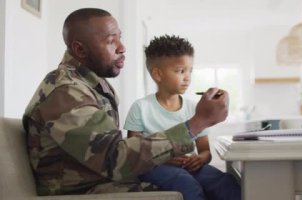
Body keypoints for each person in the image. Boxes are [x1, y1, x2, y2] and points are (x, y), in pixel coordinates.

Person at [22, 8, 229, 196]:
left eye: (120, 38)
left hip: (105, 179)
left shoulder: (91, 84)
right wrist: (198, 122)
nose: (122, 48)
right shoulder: (67, 92)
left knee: (221, 184)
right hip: (83, 192)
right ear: (80, 50)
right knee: (187, 186)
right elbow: (115, 159)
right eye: (111, 41)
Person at [124, 35, 241, 200]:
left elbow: (205, 151)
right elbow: (132, 154)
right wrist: (164, 159)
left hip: (190, 166)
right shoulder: (140, 108)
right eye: (180, 71)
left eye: (190, 71)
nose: (187, 77)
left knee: (224, 182)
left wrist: (199, 159)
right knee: (186, 183)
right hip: (154, 168)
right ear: (158, 74)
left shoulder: (195, 108)